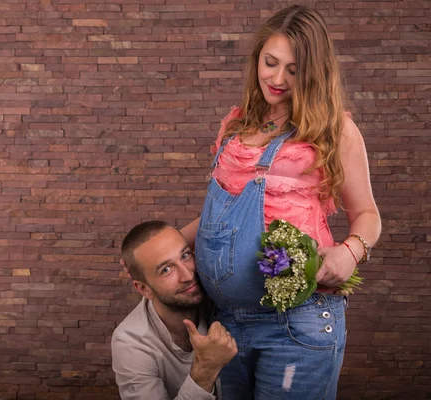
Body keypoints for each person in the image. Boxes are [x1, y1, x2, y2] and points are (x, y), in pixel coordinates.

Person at [180, 5, 382, 400]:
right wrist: (161, 246)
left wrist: (350, 252)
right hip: (226, 325)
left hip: (297, 323)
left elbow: (368, 215)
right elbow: (221, 217)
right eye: (270, 63)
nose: (277, 78)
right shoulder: (236, 124)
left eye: (294, 69)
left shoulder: (335, 130)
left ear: (314, 72)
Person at [111, 220, 237, 399]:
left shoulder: (218, 297)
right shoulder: (130, 342)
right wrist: (205, 370)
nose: (187, 275)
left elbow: (224, 219)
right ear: (144, 289)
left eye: (185, 255)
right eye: (166, 269)